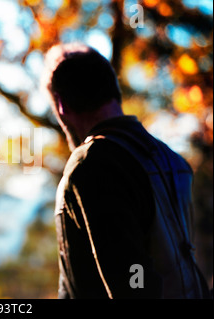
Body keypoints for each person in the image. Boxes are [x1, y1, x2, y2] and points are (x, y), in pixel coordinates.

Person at [42, 43, 210, 298]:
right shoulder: (174, 160)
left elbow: (131, 283)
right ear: (114, 92)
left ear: (61, 105)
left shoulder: (91, 164)